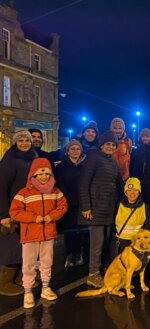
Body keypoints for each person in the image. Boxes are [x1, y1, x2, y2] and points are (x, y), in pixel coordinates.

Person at [9, 158, 68, 308]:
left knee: (47, 261)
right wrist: (34, 218)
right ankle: (28, 291)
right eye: (40, 174)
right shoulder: (24, 193)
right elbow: (15, 211)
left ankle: (45, 287)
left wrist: (52, 216)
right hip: (30, 234)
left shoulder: (55, 191)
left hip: (48, 233)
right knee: (29, 263)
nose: (44, 177)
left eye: (47, 174)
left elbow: (63, 206)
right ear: (33, 175)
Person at [79, 130, 123, 288]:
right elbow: (84, 182)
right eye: (108, 144)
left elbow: (119, 184)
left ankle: (102, 268)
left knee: (106, 241)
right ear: (102, 145)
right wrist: (86, 206)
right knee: (97, 243)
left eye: (113, 144)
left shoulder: (112, 162)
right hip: (96, 207)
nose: (110, 147)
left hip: (109, 207)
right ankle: (93, 274)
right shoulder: (93, 157)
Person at [0, 130, 37, 296]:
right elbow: (2, 187)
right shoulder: (9, 160)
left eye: (27, 141)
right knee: (12, 247)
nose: (24, 143)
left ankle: (23, 277)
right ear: (15, 142)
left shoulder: (33, 157)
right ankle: (6, 281)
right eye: (21, 140)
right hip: (12, 211)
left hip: (28, 210)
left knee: (26, 245)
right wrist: (3, 215)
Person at [55, 139, 87, 268]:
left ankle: (79, 253)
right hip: (67, 201)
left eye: (78, 149)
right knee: (69, 230)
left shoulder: (84, 166)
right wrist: (68, 197)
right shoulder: (61, 167)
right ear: (67, 151)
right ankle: (69, 254)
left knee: (80, 230)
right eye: (72, 149)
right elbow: (60, 184)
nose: (75, 151)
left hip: (81, 201)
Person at [113, 177, 150, 254]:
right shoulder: (118, 205)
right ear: (125, 193)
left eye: (135, 190)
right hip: (119, 244)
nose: (132, 193)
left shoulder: (145, 208)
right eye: (129, 190)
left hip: (137, 245)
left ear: (139, 192)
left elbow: (149, 228)